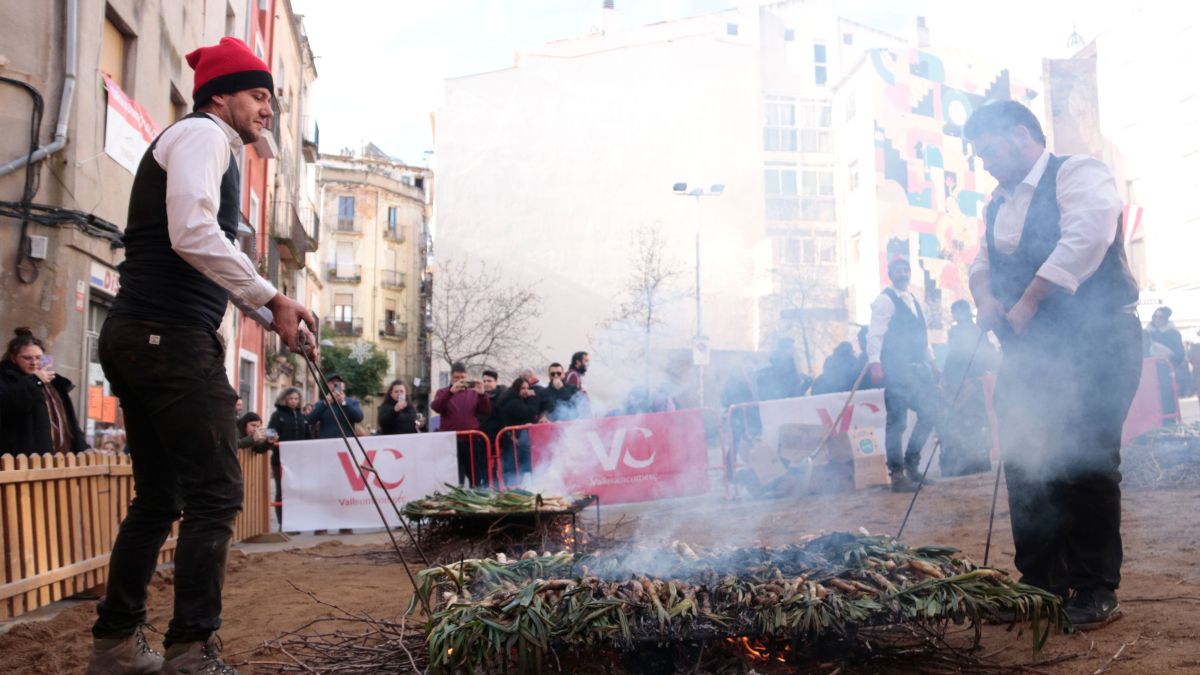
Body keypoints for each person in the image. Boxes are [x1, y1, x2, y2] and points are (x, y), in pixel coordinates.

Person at [84, 37, 318, 675]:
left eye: (271, 97)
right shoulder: (204, 135)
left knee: (159, 499)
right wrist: (270, 296)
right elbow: (193, 232)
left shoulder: (214, 145)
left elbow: (201, 251)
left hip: (142, 334)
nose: (267, 109)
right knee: (215, 492)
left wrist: (271, 310)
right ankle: (191, 649)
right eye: (258, 95)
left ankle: (115, 647)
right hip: (168, 338)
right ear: (223, 95)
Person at [965, 99, 1140, 630]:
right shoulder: (997, 203)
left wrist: (1032, 299)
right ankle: (1040, 580)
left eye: (989, 149)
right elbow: (980, 263)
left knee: (1084, 460)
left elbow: (1087, 236)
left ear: (1022, 136)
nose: (986, 162)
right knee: (1025, 458)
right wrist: (986, 300)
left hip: (1096, 341)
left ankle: (1093, 585)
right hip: (1029, 350)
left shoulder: (1078, 173)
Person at [867, 257, 941, 493]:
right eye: (898, 270)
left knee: (930, 413)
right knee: (897, 423)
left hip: (919, 371)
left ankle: (912, 463)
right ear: (891, 274)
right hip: (897, 371)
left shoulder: (913, 300)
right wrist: (875, 362)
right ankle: (897, 475)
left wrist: (933, 362)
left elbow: (923, 337)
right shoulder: (884, 301)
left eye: (905, 269)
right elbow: (875, 335)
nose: (903, 273)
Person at [0, 328, 89, 456]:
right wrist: (35, 381)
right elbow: (11, 406)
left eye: (38, 357)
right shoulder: (6, 379)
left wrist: (82, 446)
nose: (34, 363)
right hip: (26, 461)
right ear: (13, 358)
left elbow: (69, 420)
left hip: (62, 458)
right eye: (27, 358)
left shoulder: (54, 382)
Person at [938, 300, 996, 477]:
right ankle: (977, 461)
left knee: (962, 422)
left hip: (962, 381)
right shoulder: (979, 330)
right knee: (975, 422)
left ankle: (963, 463)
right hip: (972, 381)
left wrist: (946, 377)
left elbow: (954, 355)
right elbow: (989, 355)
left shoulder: (959, 332)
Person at [431, 362, 492, 486]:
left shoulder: (473, 392)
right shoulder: (443, 392)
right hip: (452, 442)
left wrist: (482, 395)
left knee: (476, 478)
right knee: (456, 480)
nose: (460, 381)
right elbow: (436, 407)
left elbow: (485, 411)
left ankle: (477, 501)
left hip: (471, 440)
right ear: (451, 377)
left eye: (462, 378)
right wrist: (450, 392)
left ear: (466, 377)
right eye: (456, 378)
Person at [267, 387, 309, 526]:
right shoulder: (277, 415)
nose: (293, 401)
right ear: (285, 399)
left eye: (296, 399)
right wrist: (273, 443)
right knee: (281, 491)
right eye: (291, 398)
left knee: (296, 491)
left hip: (298, 460)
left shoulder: (302, 416)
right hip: (280, 460)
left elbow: (307, 437)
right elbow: (270, 433)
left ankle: (295, 521)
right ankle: (283, 524)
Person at [494, 377, 541, 485]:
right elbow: (530, 414)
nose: (526, 391)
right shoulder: (514, 402)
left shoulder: (513, 399)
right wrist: (533, 398)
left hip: (514, 442)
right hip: (513, 443)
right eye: (522, 388)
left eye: (527, 388)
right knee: (514, 471)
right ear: (516, 389)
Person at [1146, 307, 1193, 397]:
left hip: (1168, 371)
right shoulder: (1147, 333)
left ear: (1166, 319)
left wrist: (1168, 355)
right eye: (1155, 316)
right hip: (1151, 372)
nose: (1157, 319)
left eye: (1160, 317)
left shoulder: (1173, 333)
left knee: (1168, 399)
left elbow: (1180, 354)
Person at [305, 374, 364, 439]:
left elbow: (359, 418)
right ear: (328, 385)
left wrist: (344, 403)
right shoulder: (321, 403)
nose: (335, 384)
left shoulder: (352, 402)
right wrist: (325, 404)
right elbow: (310, 420)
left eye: (338, 383)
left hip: (346, 443)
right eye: (332, 382)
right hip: (327, 443)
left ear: (343, 386)